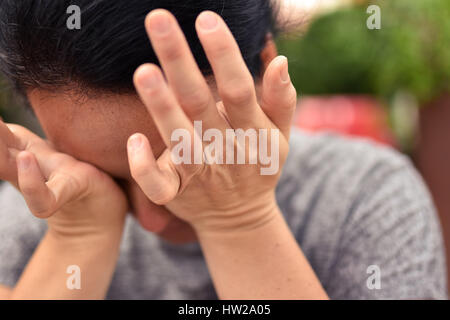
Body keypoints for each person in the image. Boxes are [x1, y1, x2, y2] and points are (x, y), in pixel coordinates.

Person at [0, 0, 447, 299]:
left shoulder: (364, 199)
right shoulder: (36, 213)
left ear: (267, 70)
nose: (155, 216)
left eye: (193, 156)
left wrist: (238, 220)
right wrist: (77, 240)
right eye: (112, 176)